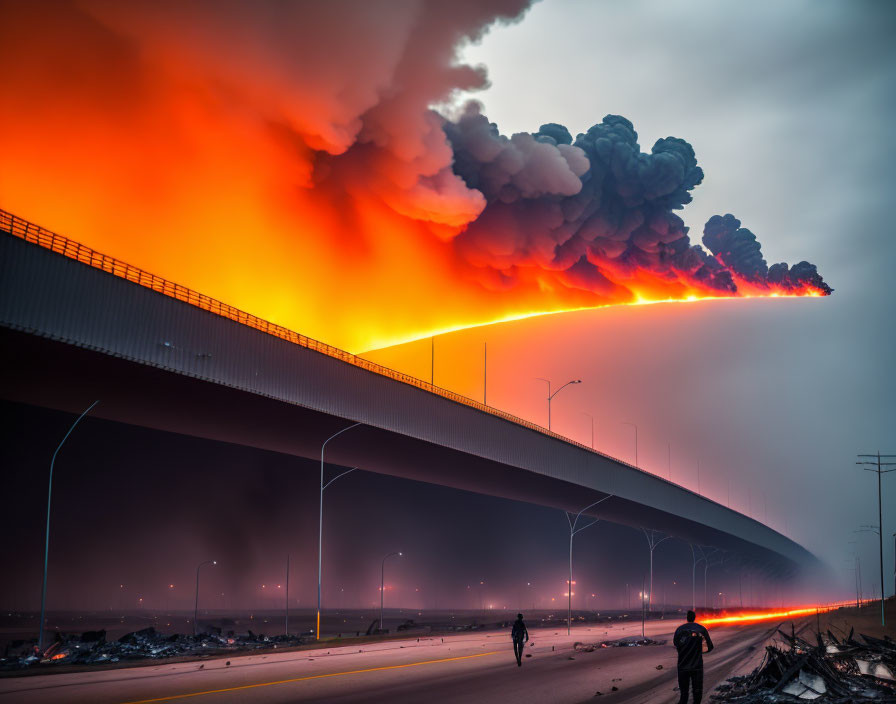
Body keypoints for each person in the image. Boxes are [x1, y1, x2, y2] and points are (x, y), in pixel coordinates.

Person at [673, 610, 714, 704]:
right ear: (694, 617)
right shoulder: (701, 629)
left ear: (687, 618)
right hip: (697, 666)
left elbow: (676, 643)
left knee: (684, 694)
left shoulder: (679, 630)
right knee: (697, 693)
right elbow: (710, 647)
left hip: (682, 666)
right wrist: (700, 650)